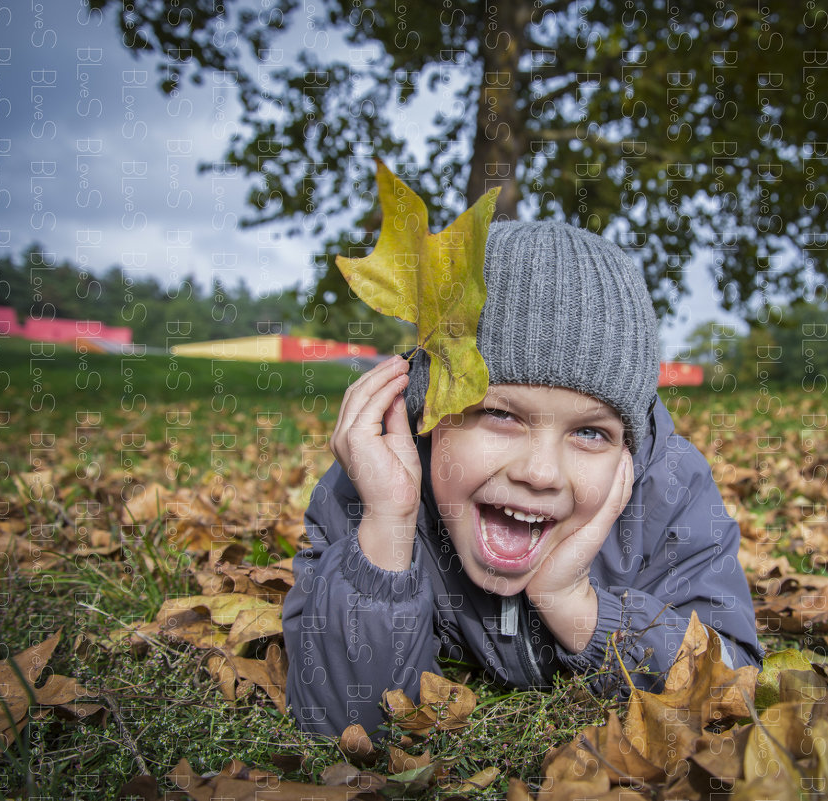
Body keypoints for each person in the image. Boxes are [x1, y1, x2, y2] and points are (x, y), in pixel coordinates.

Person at [282, 221, 763, 737]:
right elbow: (342, 720)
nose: (540, 472)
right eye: (502, 415)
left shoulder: (670, 491)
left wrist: (577, 604)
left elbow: (727, 686)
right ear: (425, 411)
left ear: (629, 445)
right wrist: (386, 533)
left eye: (591, 434)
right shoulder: (374, 486)